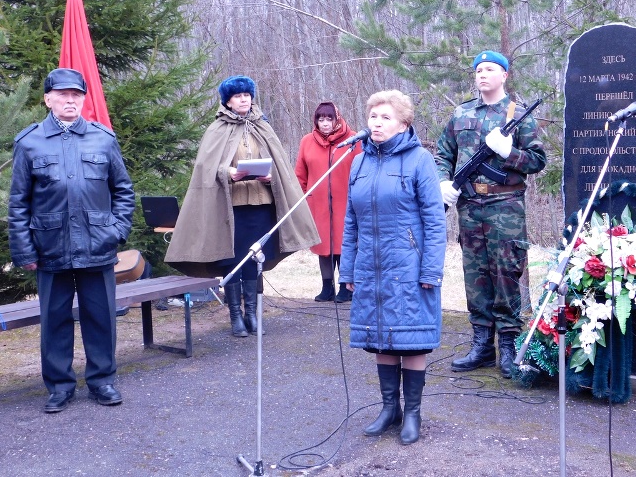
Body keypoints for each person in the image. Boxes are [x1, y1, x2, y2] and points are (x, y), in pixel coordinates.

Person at [8, 68, 136, 413]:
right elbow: (18, 202)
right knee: (54, 321)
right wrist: (24, 250)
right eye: (62, 95)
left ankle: (102, 380)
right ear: (48, 99)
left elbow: (123, 191)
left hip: (98, 245)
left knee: (101, 317)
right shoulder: (30, 141)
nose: (70, 101)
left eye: (76, 95)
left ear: (83, 99)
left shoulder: (102, 138)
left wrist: (116, 231)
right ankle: (60, 386)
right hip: (50, 248)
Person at [165, 75, 319, 337]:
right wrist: (228, 173)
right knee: (232, 260)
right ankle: (235, 316)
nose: (244, 99)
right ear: (228, 101)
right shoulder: (217, 129)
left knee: (254, 260)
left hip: (261, 205)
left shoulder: (263, 126)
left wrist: (271, 177)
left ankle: (252, 315)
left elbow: (280, 165)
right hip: (231, 208)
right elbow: (206, 168)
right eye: (238, 96)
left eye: (247, 95)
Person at [339, 90, 446, 445]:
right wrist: (348, 269)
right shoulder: (358, 162)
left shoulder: (420, 160)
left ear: (403, 124)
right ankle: (390, 409)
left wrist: (431, 270)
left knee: (410, 339)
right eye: (373, 116)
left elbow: (435, 221)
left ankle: (412, 412)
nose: (377, 123)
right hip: (371, 266)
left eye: (386, 117)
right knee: (381, 336)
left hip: (408, 265)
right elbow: (351, 222)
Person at [436, 50, 547, 379]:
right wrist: (443, 181)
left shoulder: (519, 115)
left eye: (490, 69)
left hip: (505, 206)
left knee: (506, 274)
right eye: (479, 70)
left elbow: (537, 161)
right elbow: (443, 153)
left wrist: (508, 152)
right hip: (470, 207)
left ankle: (509, 346)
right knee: (476, 276)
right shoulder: (461, 113)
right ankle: (482, 345)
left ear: (504, 75)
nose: (482, 74)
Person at [294, 102, 362, 303]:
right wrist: (304, 198)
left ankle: (346, 286)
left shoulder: (353, 140)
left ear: (337, 119)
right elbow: (300, 175)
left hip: (346, 203)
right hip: (318, 204)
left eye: (329, 119)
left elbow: (362, 171)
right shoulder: (307, 141)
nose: (324, 124)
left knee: (345, 243)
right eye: (321, 119)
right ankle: (327, 286)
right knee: (323, 246)